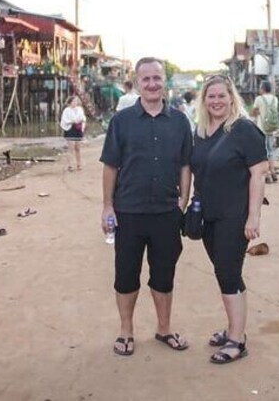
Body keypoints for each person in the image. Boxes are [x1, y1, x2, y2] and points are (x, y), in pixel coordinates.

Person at [100, 57, 193, 356]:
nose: (152, 84)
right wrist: (107, 207)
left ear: (164, 80)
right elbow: (110, 166)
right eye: (146, 79)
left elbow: (185, 165)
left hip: (166, 213)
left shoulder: (180, 121)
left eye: (157, 78)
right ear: (137, 82)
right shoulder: (121, 121)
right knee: (126, 275)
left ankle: (164, 328)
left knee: (164, 275)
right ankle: (126, 331)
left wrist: (183, 200)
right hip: (128, 212)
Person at [190, 74, 268, 364]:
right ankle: (235, 328)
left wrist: (253, 217)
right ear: (204, 100)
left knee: (227, 272)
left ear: (231, 98)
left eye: (222, 95)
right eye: (211, 96)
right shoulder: (201, 131)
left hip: (234, 215)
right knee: (227, 272)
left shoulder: (244, 129)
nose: (216, 101)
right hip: (208, 214)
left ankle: (237, 340)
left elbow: (259, 173)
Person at [250, 81, 279, 183]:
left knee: (263, 152)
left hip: (261, 129)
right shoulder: (275, 99)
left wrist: (257, 111)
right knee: (270, 151)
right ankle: (273, 171)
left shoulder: (259, 99)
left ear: (262, 89)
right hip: (271, 128)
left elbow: (252, 113)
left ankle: (267, 175)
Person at [60, 95, 86, 171]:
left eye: (76, 101)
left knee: (78, 148)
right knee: (70, 148)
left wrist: (80, 122)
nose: (75, 103)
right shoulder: (66, 110)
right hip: (70, 129)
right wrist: (73, 121)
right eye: (73, 101)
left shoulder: (80, 109)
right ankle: (70, 165)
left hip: (78, 129)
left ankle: (79, 164)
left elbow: (83, 118)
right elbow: (64, 120)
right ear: (70, 102)